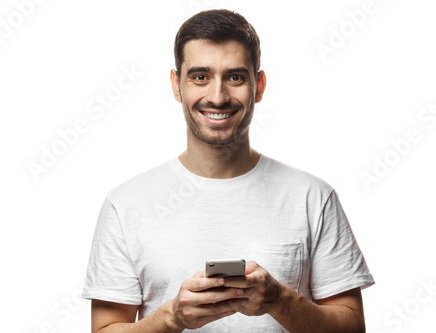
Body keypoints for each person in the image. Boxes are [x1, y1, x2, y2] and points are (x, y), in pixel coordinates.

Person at [82, 9, 374, 332]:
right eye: (200, 77)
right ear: (176, 85)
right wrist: (172, 317)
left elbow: (353, 328)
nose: (218, 97)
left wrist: (280, 301)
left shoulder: (313, 198)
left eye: (235, 77)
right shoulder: (125, 205)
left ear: (258, 86)